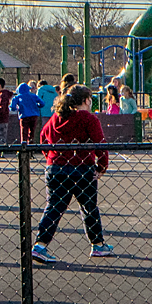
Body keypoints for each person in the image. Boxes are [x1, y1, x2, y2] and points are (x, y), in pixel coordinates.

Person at [29, 85, 114, 262]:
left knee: (54, 207)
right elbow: (100, 143)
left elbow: (43, 137)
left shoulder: (56, 118)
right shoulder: (88, 118)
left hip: (56, 168)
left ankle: (40, 244)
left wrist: (51, 157)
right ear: (86, 100)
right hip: (82, 168)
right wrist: (101, 167)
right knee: (89, 207)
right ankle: (97, 244)